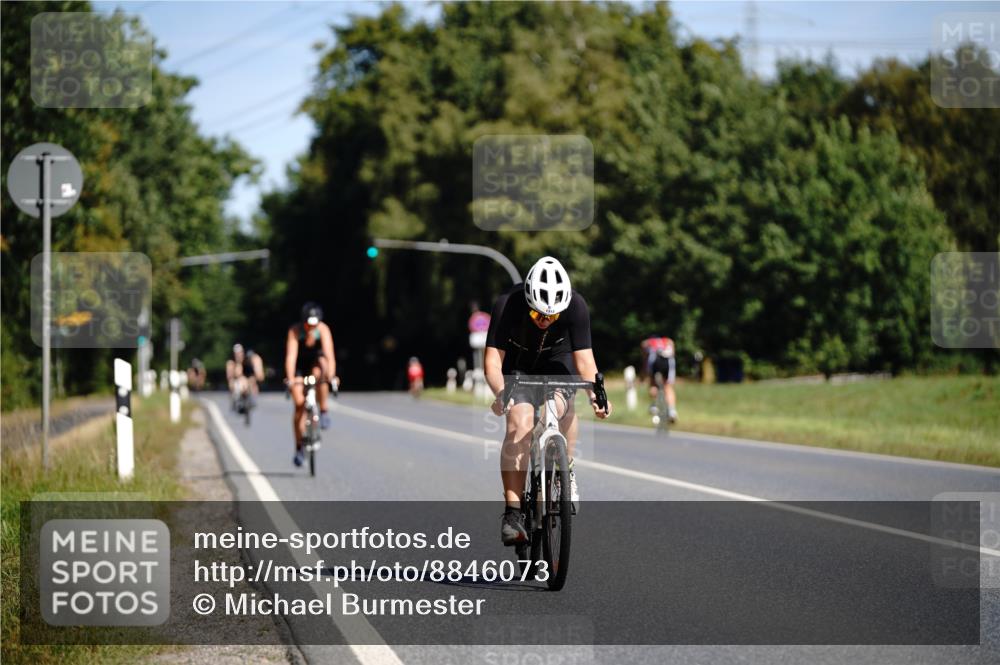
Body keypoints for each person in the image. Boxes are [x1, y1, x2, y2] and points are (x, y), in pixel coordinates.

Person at [484, 256, 612, 546]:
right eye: (538, 315)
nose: (544, 321)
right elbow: (493, 362)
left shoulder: (576, 305)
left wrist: (596, 394)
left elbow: (585, 360)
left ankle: (565, 471)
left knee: (561, 406)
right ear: (528, 302)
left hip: (558, 361)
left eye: (552, 317)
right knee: (520, 422)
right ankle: (513, 514)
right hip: (518, 365)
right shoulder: (508, 304)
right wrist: (501, 393)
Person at [284, 302, 336, 467]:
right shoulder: (295, 331)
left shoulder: (322, 330)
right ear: (303, 321)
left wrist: (332, 377)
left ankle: (324, 410)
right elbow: (291, 357)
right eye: (309, 324)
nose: (312, 327)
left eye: (315, 324)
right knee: (299, 405)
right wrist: (290, 378)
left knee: (322, 370)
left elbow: (329, 356)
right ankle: (299, 447)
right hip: (299, 368)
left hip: (315, 365)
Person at [640, 335, 677, 423]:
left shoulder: (647, 342)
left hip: (654, 360)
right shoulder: (667, 341)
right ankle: (672, 411)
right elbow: (672, 350)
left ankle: (654, 405)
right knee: (668, 387)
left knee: (652, 384)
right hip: (668, 360)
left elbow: (645, 359)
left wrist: (643, 374)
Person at [226, 344, 264, 410]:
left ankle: (250, 399)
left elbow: (260, 376)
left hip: (249, 379)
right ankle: (237, 399)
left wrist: (253, 379)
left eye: (240, 353)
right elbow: (230, 376)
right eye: (236, 354)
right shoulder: (231, 362)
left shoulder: (253, 359)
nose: (238, 355)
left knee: (251, 383)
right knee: (236, 383)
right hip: (238, 381)